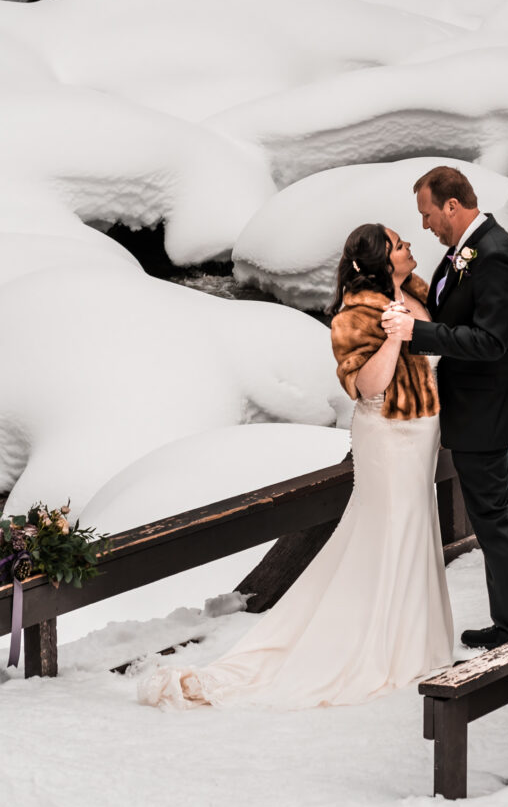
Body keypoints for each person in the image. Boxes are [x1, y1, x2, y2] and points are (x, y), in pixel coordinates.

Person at [138, 223, 453, 710]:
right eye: (399, 244)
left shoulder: (415, 290)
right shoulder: (355, 315)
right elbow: (367, 386)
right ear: (377, 262)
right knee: (387, 531)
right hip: (388, 437)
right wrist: (391, 340)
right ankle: (373, 645)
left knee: (415, 527)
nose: (410, 247)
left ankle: (415, 639)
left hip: (422, 434)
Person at [381, 166, 508, 651]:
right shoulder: (469, 250)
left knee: (493, 520)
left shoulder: (495, 257)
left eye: (428, 213)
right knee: (499, 516)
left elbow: (491, 341)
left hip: (485, 412)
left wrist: (418, 335)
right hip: (478, 407)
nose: (425, 225)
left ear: (452, 205)